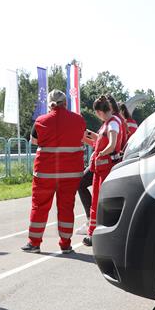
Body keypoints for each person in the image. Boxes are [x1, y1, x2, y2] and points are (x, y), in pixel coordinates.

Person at [22, 89, 86, 254]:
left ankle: (34, 243)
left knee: (40, 206)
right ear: (66, 103)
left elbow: (34, 141)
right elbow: (81, 138)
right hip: (71, 174)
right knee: (66, 208)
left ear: (49, 105)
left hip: (46, 173)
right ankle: (65, 244)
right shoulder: (78, 120)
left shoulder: (41, 120)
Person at [83, 95, 125, 247]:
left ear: (100, 112)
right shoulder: (108, 124)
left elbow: (112, 145)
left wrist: (102, 153)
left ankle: (100, 234)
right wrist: (86, 135)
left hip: (106, 168)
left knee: (102, 202)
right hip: (100, 169)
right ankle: (93, 232)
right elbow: (100, 140)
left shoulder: (112, 124)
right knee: (97, 201)